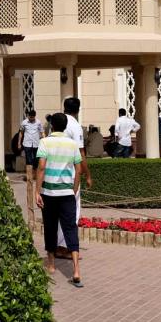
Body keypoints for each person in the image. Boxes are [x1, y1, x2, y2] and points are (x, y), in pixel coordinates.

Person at [36, 112, 83, 288]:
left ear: (52, 126)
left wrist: (37, 191)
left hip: (49, 192)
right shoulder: (72, 144)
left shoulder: (45, 142)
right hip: (67, 193)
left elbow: (41, 167)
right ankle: (76, 269)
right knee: (70, 228)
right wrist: (74, 188)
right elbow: (78, 169)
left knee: (50, 227)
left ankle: (52, 264)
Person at [62, 97, 92, 257]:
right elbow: (81, 154)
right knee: (72, 209)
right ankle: (68, 246)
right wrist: (88, 174)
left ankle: (58, 246)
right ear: (78, 110)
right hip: (71, 173)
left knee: (58, 210)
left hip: (54, 172)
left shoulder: (58, 122)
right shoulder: (75, 126)